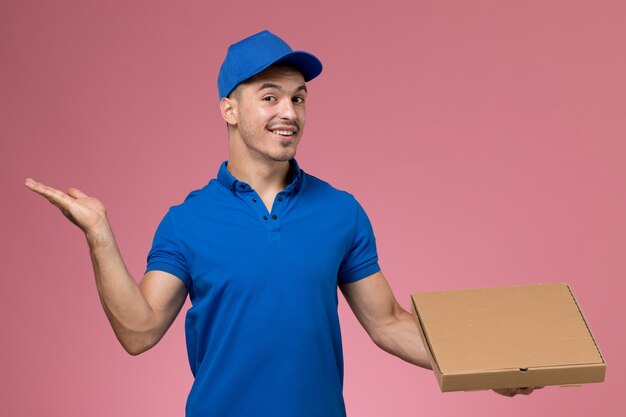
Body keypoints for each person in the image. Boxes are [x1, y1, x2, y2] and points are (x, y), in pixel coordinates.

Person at [25, 30, 536, 416]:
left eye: (297, 98)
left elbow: (389, 323)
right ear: (229, 108)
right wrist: (100, 235)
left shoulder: (341, 211)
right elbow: (138, 331)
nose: (287, 111)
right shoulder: (186, 222)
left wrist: (483, 366)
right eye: (269, 96)